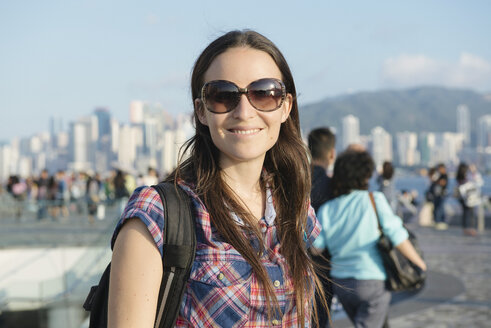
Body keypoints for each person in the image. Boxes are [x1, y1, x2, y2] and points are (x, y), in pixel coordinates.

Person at [108, 30, 325, 328]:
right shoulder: (157, 214)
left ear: (285, 106)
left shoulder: (293, 204)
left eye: (264, 93)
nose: (245, 112)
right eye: (223, 96)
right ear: (201, 111)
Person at [313, 150, 426, 328]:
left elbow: (316, 247)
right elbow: (397, 235)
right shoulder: (375, 200)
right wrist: (419, 263)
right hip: (372, 282)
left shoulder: (328, 209)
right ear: (366, 176)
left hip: (341, 284)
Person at [307, 127, 336, 327]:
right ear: (332, 154)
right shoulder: (334, 186)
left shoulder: (295, 178)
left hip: (292, 260)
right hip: (324, 264)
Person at [455, 162, 483, 236]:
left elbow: (478, 182)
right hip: (469, 197)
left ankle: (466, 228)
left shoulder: (460, 176)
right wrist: (474, 172)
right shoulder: (466, 176)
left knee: (466, 213)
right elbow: (477, 182)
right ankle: (470, 228)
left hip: (465, 197)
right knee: (470, 213)